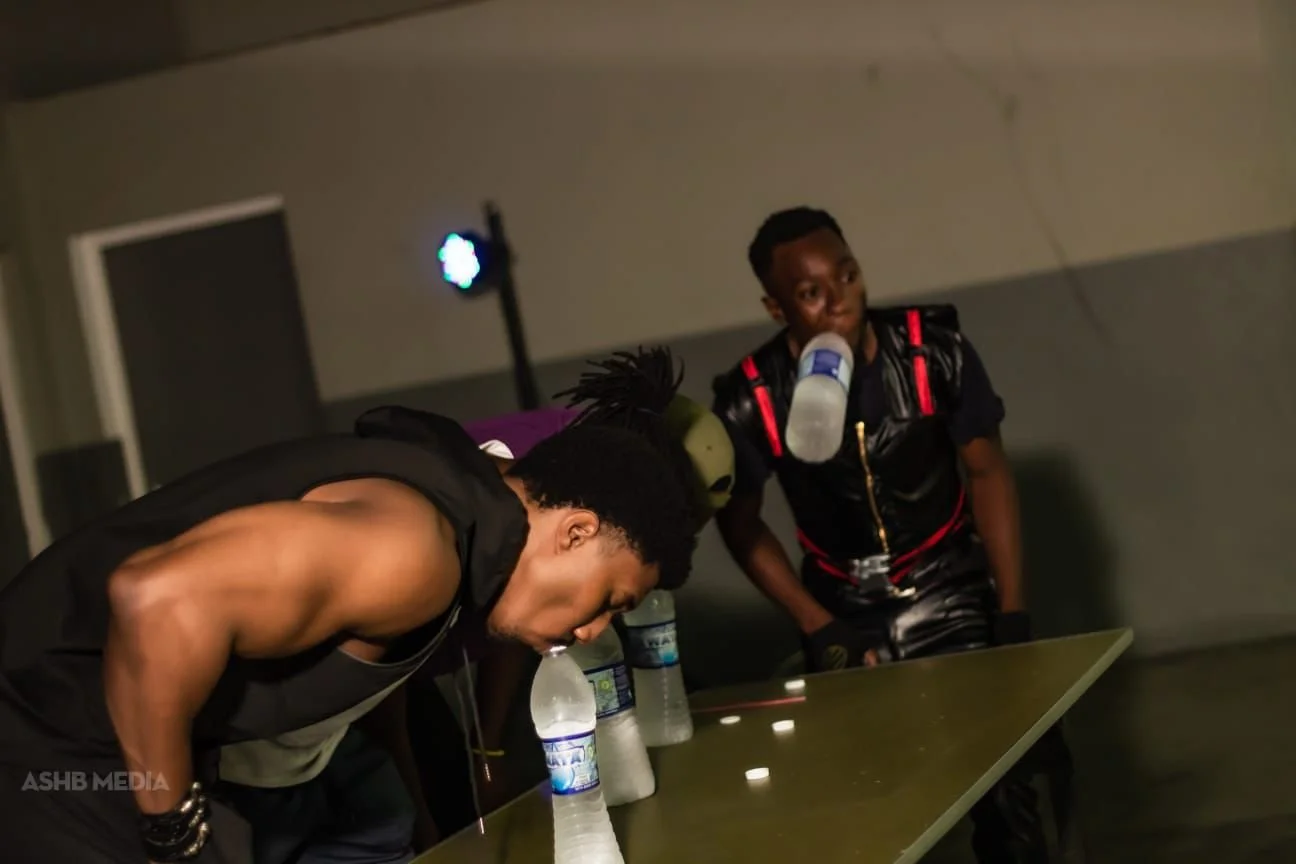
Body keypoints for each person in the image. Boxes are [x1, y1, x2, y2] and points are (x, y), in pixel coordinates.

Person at [0, 404, 696, 863]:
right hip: (48, 746)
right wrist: (172, 824)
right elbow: (155, 598)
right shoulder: (417, 549)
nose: (591, 627)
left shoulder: (462, 506)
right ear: (576, 530)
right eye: (609, 598)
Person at [711, 206, 1068, 864]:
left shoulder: (932, 348)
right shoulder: (752, 395)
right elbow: (739, 525)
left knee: (1010, 805)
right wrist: (817, 624)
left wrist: (1011, 612)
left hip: (949, 587)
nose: (839, 301)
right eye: (811, 293)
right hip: (843, 608)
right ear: (775, 306)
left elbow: (988, 473)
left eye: (847, 276)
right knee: (868, 816)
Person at [405, 346, 736, 835]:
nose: (589, 628)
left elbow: (530, 623)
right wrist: (423, 796)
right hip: (371, 690)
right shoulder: (536, 487)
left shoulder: (581, 513)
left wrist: (485, 747)